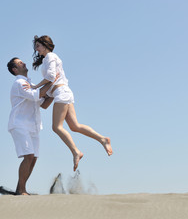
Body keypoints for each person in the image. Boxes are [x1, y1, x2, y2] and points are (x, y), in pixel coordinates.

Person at [31, 35, 113, 171]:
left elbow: (51, 76)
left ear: (45, 45)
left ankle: (76, 152)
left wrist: (35, 87)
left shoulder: (50, 56)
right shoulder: (47, 59)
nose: (36, 48)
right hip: (63, 92)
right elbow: (50, 85)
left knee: (57, 127)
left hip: (62, 93)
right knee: (74, 126)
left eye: (38, 45)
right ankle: (103, 139)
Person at [7, 57, 55, 195]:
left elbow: (44, 104)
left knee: (33, 158)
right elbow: (37, 95)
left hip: (33, 126)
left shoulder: (31, 83)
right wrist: (52, 81)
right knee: (28, 156)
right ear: (15, 69)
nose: (24, 63)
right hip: (19, 124)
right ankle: (21, 191)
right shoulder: (20, 83)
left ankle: (20, 189)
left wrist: (55, 90)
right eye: (20, 63)